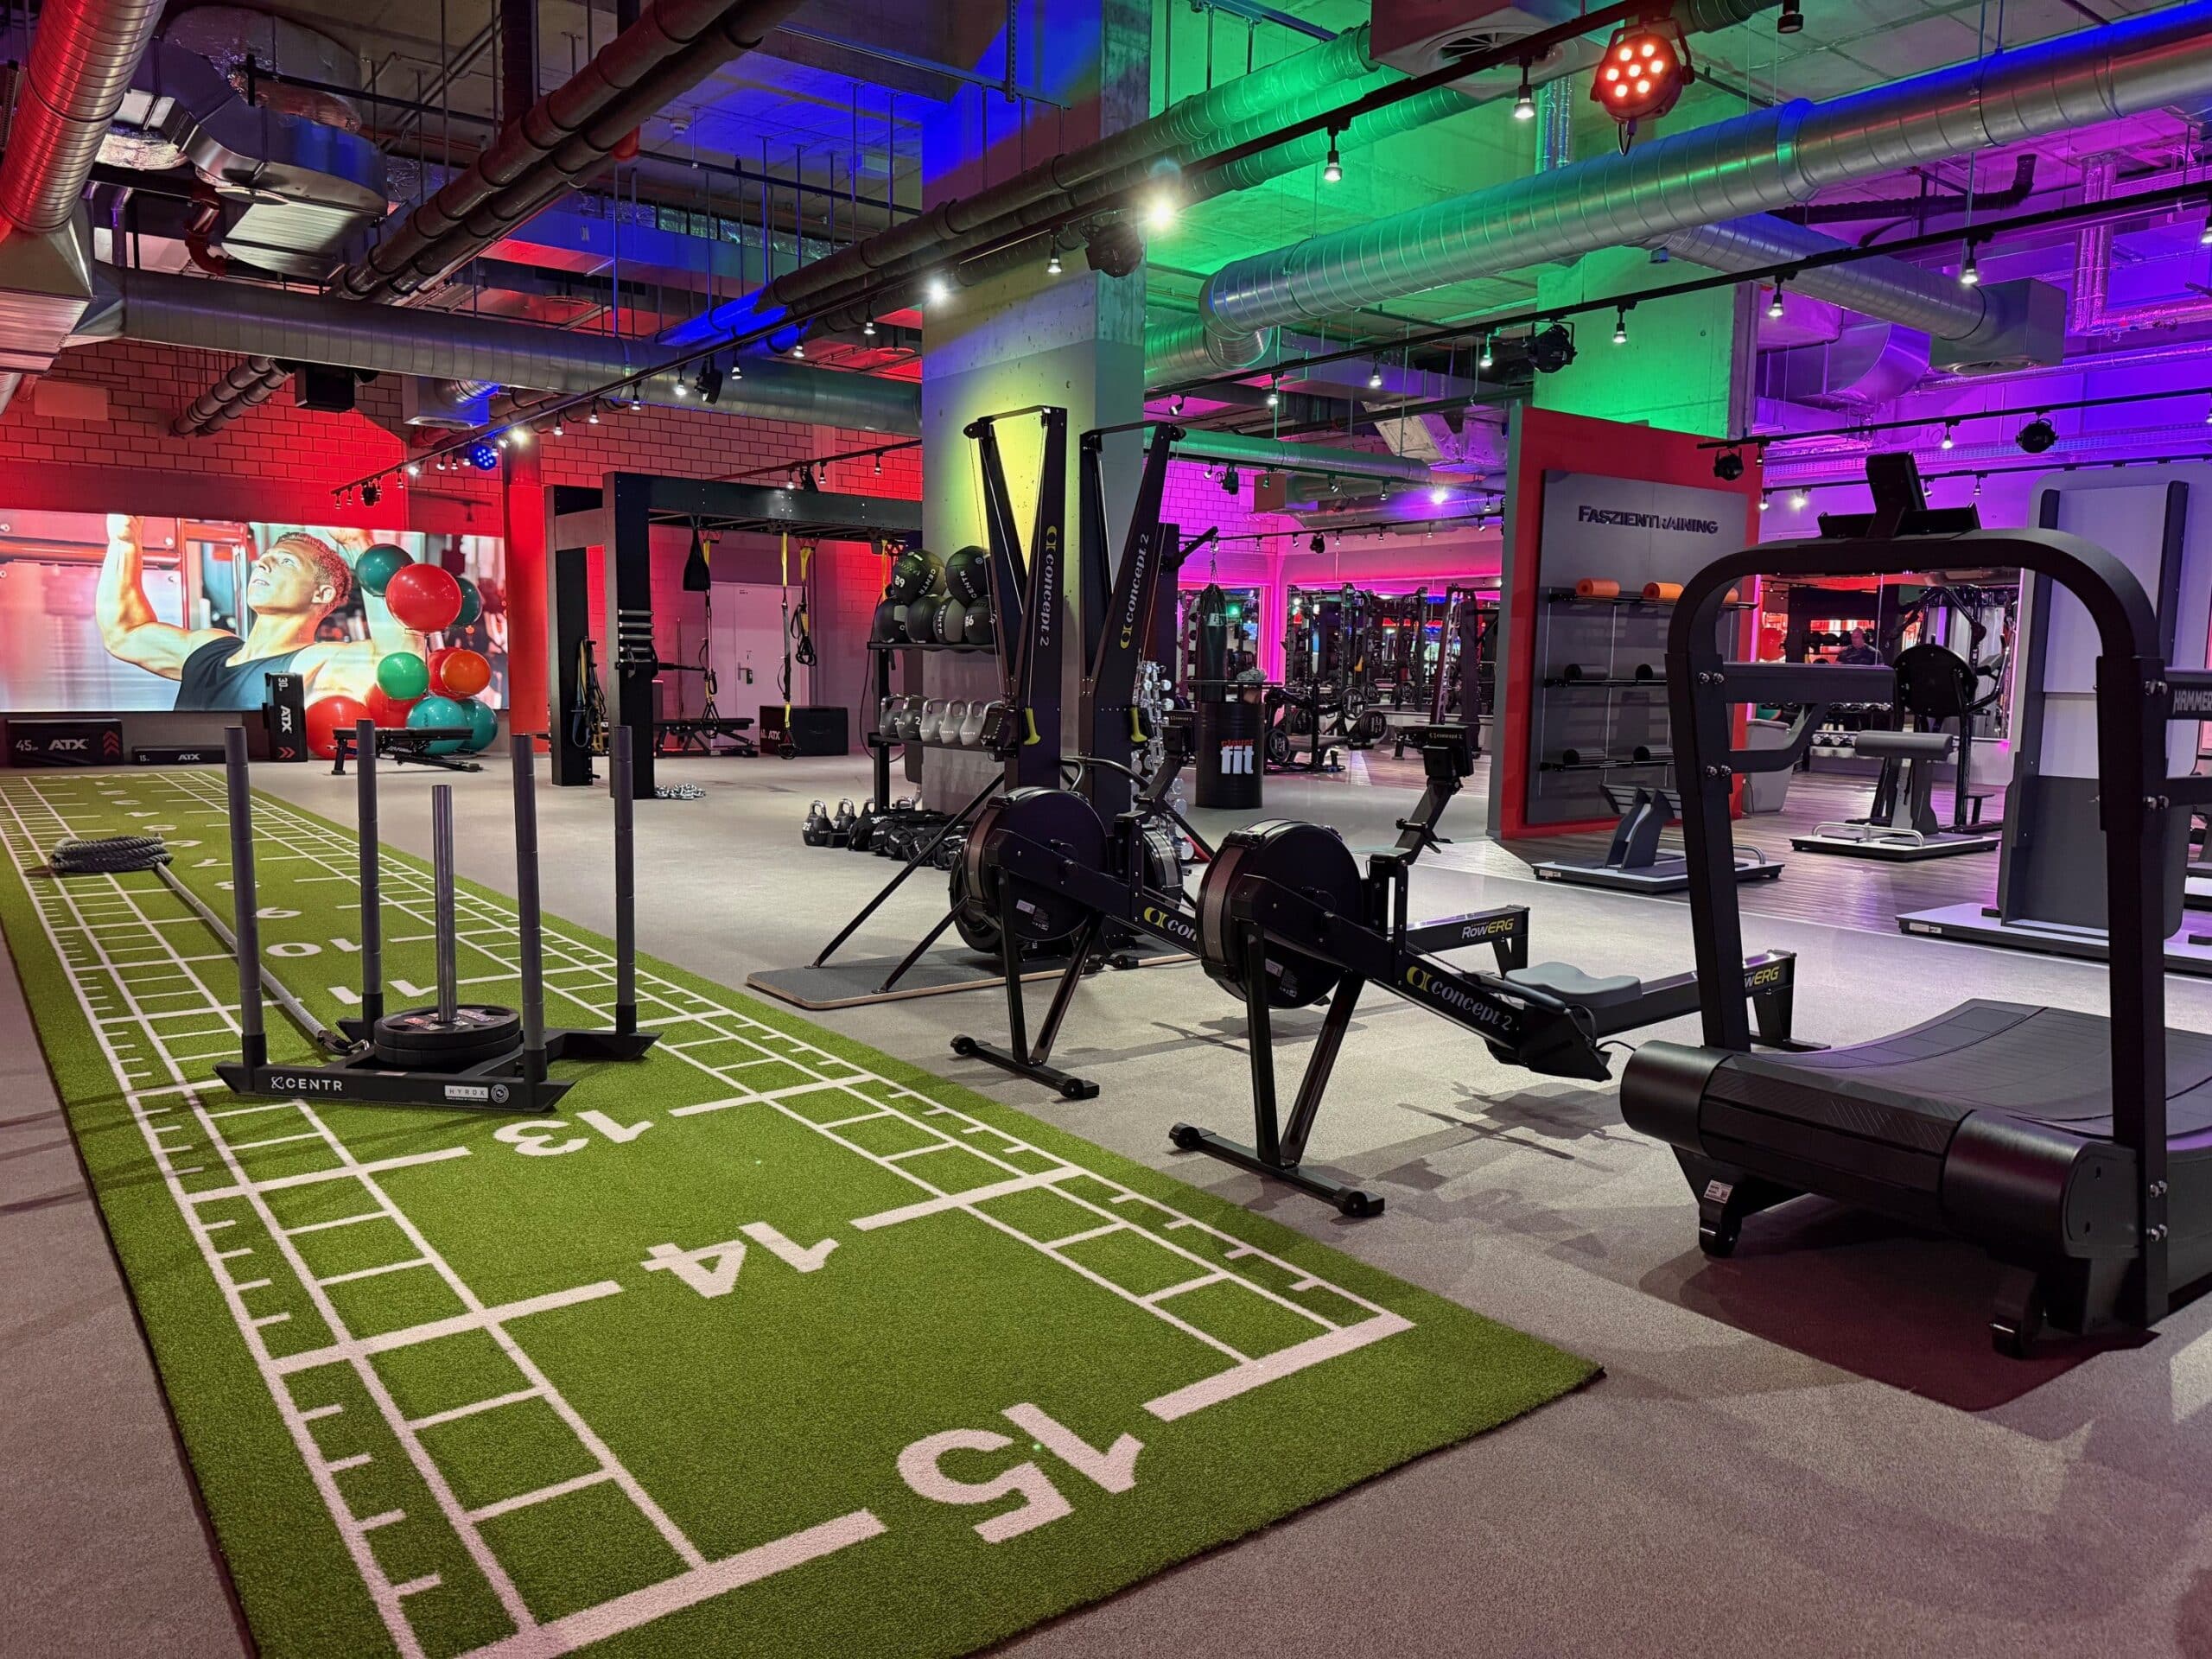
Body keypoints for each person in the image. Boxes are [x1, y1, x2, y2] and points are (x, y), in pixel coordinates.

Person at [98, 516, 424, 710]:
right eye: (266, 558)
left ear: (321, 594)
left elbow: (399, 664)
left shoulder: (312, 664)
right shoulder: (208, 649)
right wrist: (125, 542)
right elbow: (123, 633)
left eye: (286, 562)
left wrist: (357, 544)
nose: (262, 563)